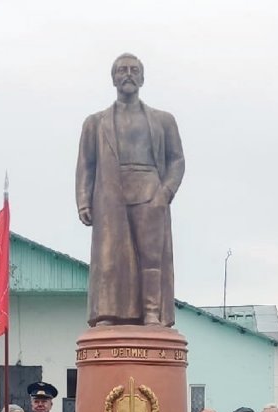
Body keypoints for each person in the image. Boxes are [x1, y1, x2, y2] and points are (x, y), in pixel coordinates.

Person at [76, 52, 185, 327]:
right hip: (110, 195)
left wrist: (165, 193)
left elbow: (177, 160)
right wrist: (83, 201)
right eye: (122, 70)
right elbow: (86, 165)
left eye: (134, 70)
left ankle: (152, 312)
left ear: (142, 78)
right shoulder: (96, 122)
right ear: (113, 78)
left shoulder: (163, 120)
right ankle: (108, 313)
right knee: (111, 257)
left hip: (150, 192)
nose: (128, 74)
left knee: (152, 256)